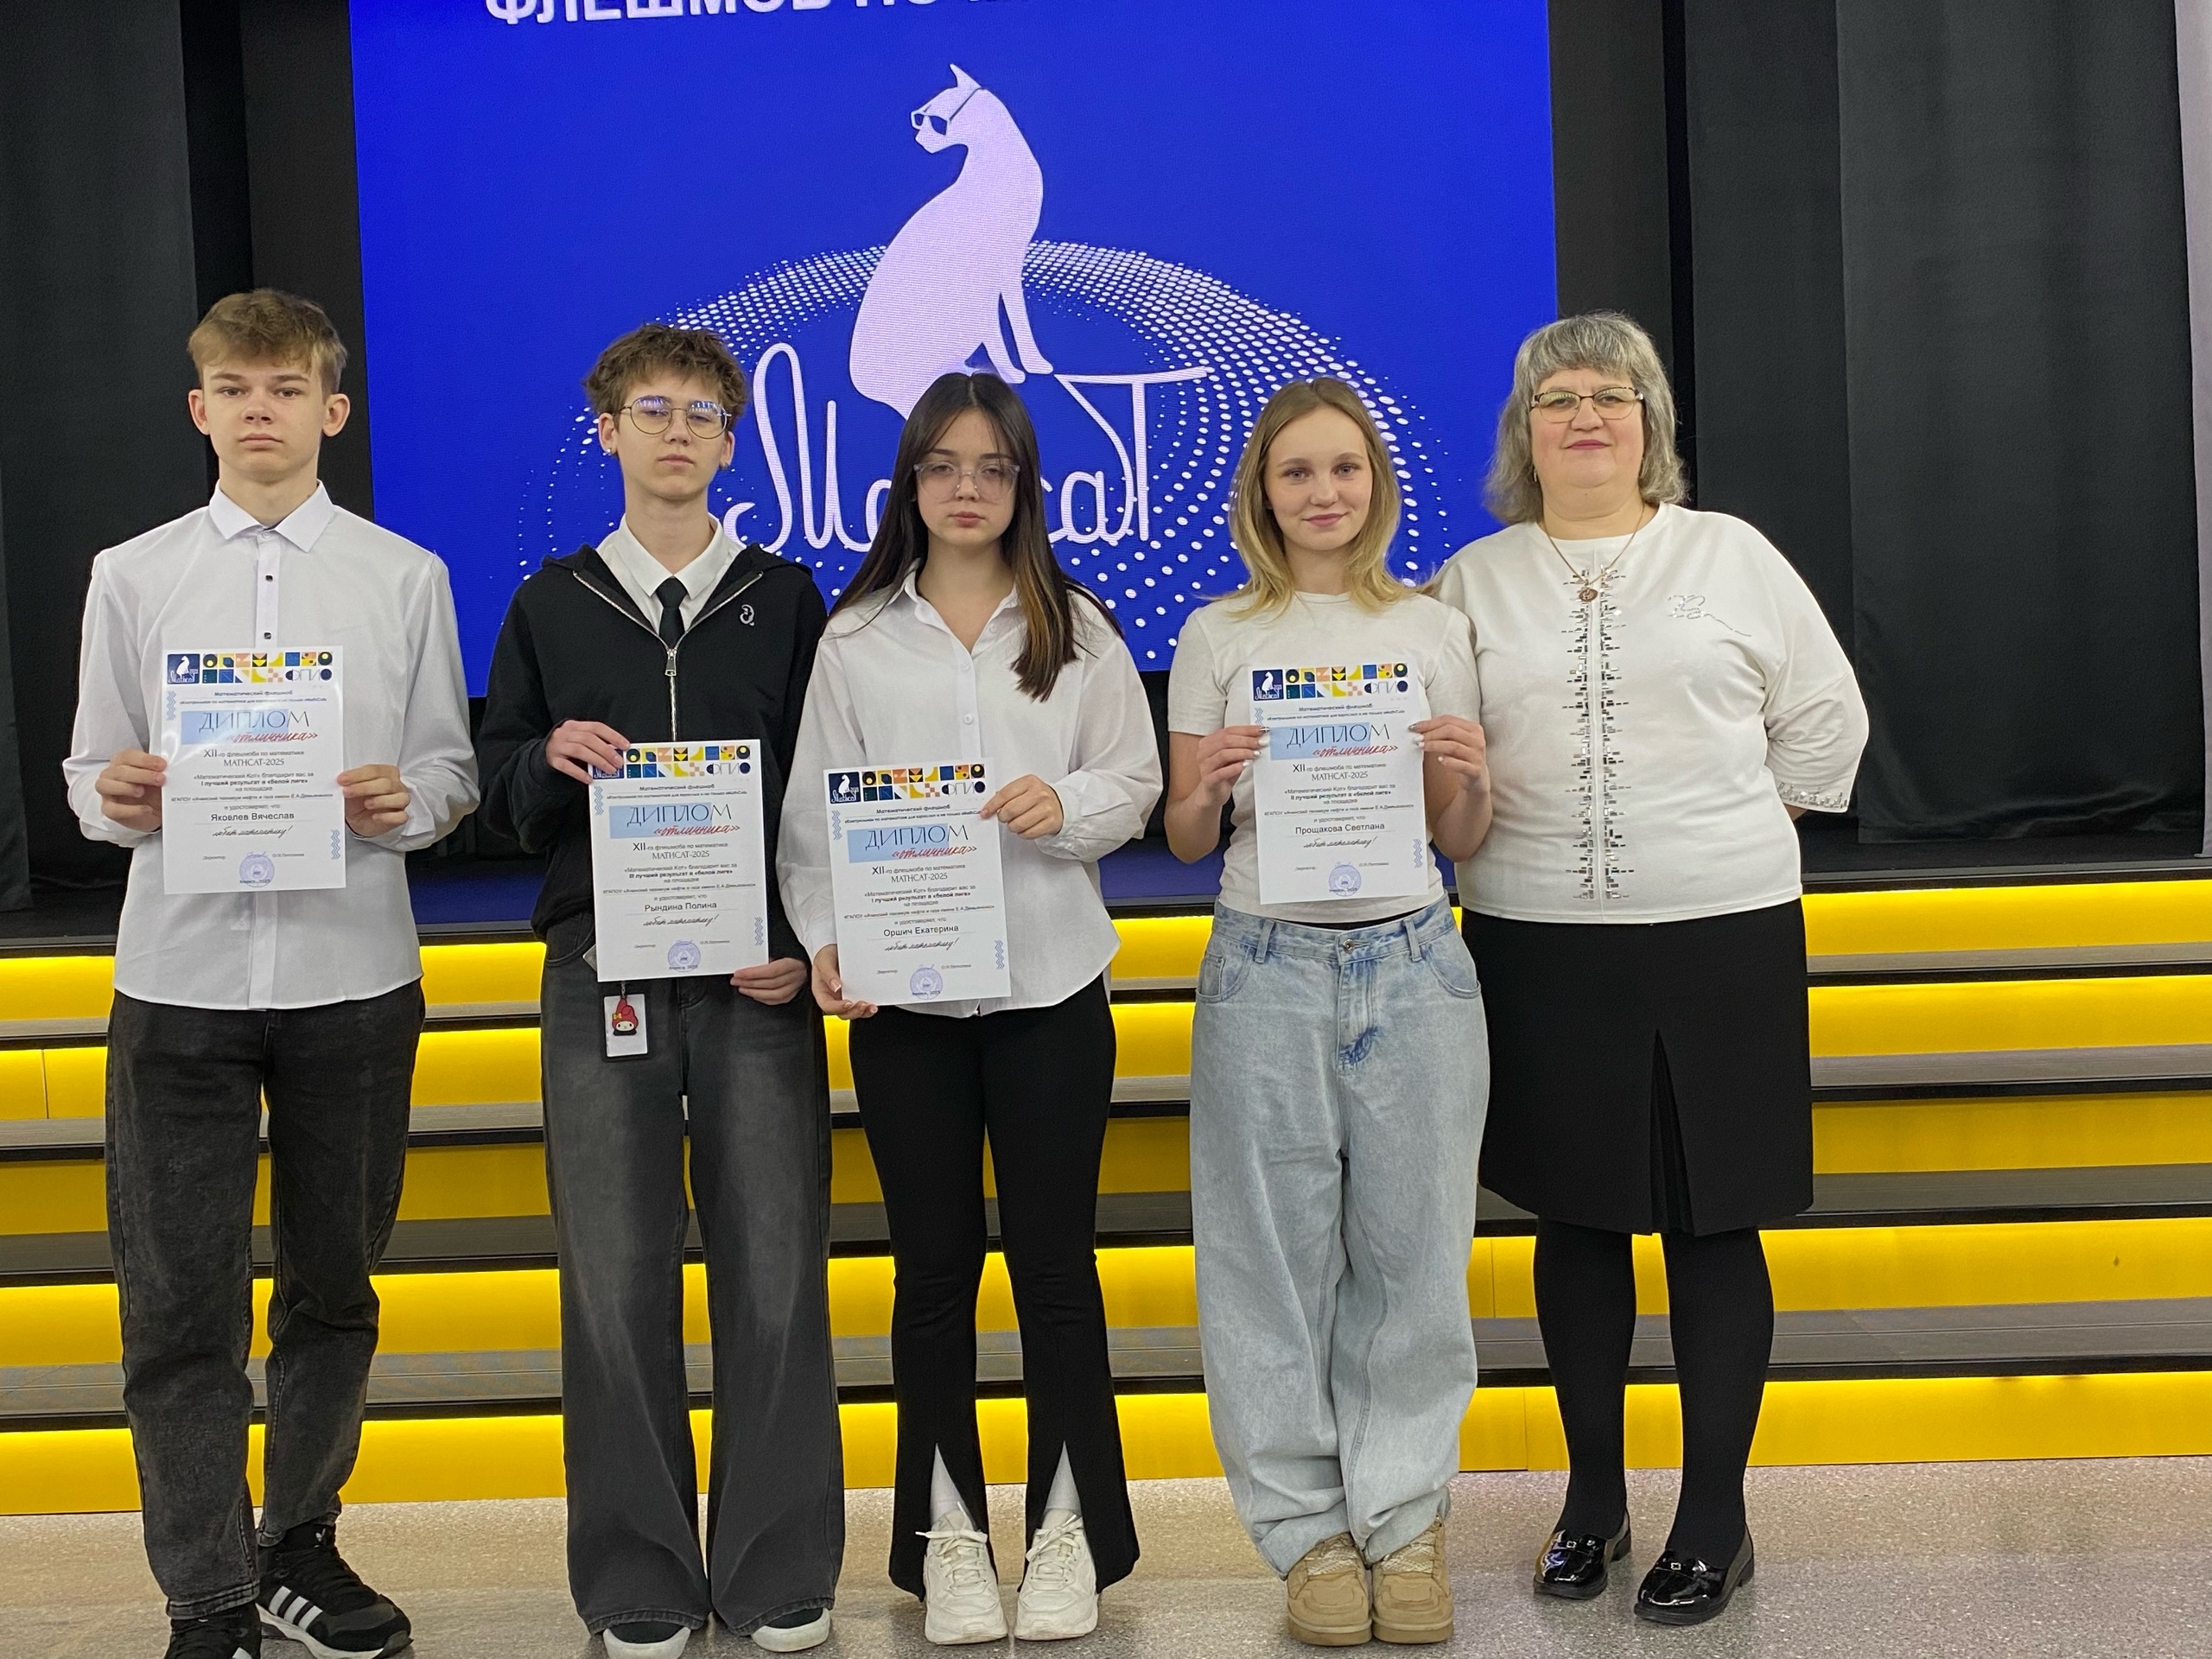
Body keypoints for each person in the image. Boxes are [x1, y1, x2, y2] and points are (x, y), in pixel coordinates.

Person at [1433, 311, 1868, 1626]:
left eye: (1610, 396)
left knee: (1714, 1223)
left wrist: (1724, 838)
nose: (1584, 417)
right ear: (1525, 431)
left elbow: (1825, 721)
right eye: (1556, 398)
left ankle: (1717, 1520)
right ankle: (1594, 1503)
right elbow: (1440, 756)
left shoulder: (1728, 558)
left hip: (1720, 937)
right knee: (1576, 1223)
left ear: (1648, 424)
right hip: (1536, 940)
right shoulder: (1472, 580)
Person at [65, 289, 478, 1659]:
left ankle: (299, 1542)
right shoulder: (130, 574)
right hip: (175, 980)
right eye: (234, 388)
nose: (259, 410)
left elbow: (450, 775)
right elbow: (88, 775)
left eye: (286, 388)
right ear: (198, 409)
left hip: (351, 975)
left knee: (332, 1289)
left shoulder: (403, 574)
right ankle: (207, 1596)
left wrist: (398, 802)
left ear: (331, 410)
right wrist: (115, 790)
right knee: (176, 1304)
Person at [779, 372, 1160, 1646]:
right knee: (931, 1274)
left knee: (1056, 1272)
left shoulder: (1079, 629)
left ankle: (1066, 1537)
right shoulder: (854, 638)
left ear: (1021, 486)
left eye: (991, 467)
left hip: (1053, 988)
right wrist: (829, 940)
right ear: (910, 484)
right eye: (942, 465)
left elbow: (1136, 780)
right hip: (909, 1008)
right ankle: (945, 1535)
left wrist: (1072, 810)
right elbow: (812, 826)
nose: (965, 488)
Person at [475, 324, 840, 1658]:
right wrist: (542, 762)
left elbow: (817, 792)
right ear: (608, 432)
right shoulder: (551, 601)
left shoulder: (787, 599)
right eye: (650, 410)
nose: (676, 432)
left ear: (732, 441)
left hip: (755, 986)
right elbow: (494, 789)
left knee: (775, 1270)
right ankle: (635, 1569)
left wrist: (803, 939)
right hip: (601, 976)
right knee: (615, 1277)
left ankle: (777, 1562)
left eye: (701, 413)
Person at [1163, 378, 1492, 1648]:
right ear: (1263, 490)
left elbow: (1461, 831)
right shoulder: (1215, 632)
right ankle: (1307, 1536)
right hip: (1264, 965)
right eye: (1298, 473)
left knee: (1415, 1261)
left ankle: (1405, 1521)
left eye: (1344, 469)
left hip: (1414, 959)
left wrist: (1460, 780)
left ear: (1377, 483)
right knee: (1268, 1271)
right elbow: (1189, 839)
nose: (1324, 493)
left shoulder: (1431, 624)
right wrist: (1215, 781)